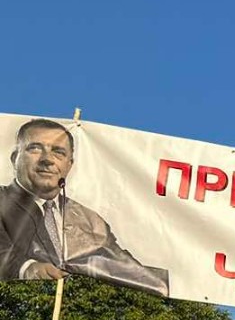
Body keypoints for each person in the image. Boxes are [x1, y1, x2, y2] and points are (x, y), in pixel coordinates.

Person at [0, 118, 169, 295]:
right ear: (14, 158)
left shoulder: (89, 219)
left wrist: (165, 284)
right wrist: (26, 268)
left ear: (69, 165)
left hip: (76, 311)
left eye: (58, 152)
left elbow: (124, 268)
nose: (47, 159)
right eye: (35, 148)